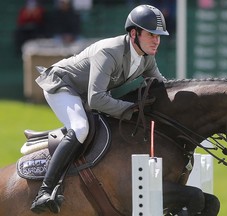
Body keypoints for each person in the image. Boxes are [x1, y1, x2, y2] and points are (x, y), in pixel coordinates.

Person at [30, 4, 169, 214]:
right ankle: (44, 192)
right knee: (80, 128)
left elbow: (162, 88)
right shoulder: (109, 52)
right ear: (134, 33)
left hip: (84, 94)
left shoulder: (146, 58)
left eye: (159, 36)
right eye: (151, 34)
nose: (157, 40)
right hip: (62, 84)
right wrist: (131, 109)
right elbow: (96, 99)